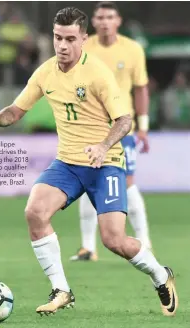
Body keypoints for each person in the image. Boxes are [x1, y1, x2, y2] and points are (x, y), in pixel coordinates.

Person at [0, 7, 178, 317]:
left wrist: (102, 145)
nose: (63, 45)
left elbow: (124, 120)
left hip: (106, 162)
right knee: (35, 212)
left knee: (114, 240)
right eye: (58, 38)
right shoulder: (45, 72)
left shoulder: (97, 73)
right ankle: (62, 290)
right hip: (68, 163)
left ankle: (161, 275)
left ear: (83, 38)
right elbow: (16, 111)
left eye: (70, 39)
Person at [70, 2, 152, 262]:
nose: (104, 22)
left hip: (121, 127)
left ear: (118, 21)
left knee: (127, 181)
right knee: (86, 182)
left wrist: (144, 126)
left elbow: (141, 88)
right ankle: (87, 248)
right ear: (93, 22)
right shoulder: (85, 48)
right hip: (89, 127)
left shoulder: (132, 50)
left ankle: (144, 241)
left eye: (109, 17)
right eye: (100, 17)